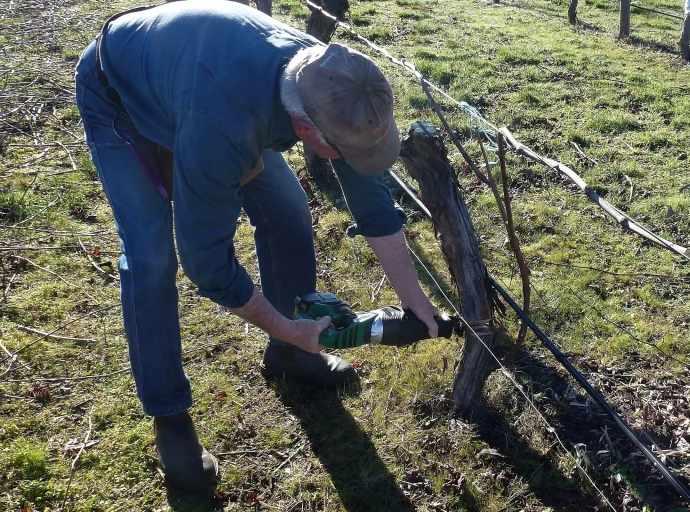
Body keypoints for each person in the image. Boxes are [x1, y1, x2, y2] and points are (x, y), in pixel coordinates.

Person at [74, 1, 440, 492]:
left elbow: (370, 201)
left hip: (199, 81)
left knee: (288, 213)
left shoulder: (332, 84)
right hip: (119, 94)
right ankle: (170, 418)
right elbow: (207, 263)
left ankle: (290, 357)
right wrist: (288, 325)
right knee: (152, 258)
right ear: (306, 130)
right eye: (346, 148)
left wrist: (412, 296)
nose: (357, 156)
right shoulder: (224, 126)